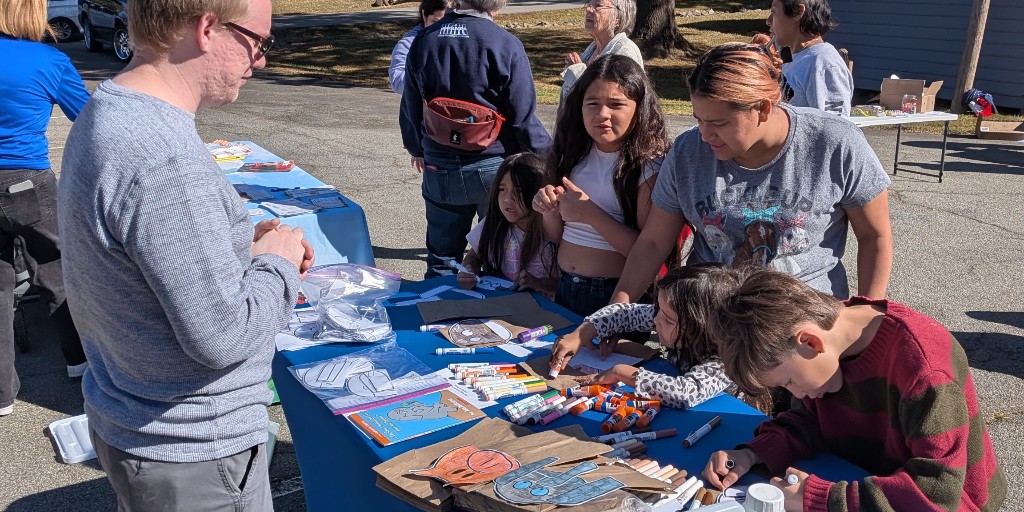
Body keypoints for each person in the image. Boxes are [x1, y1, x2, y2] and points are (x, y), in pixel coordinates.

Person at [58, 0, 313, 509]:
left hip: (135, 418)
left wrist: (238, 242)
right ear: (207, 28)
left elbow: (139, 253)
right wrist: (278, 260)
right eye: (259, 42)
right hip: (192, 448)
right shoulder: (164, 156)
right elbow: (222, 337)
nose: (259, 60)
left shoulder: (110, 107)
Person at [609, 42, 892, 331]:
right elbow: (653, 243)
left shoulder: (835, 142)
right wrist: (615, 313)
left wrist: (866, 316)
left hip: (803, 330)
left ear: (764, 109)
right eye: (699, 119)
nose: (705, 135)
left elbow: (874, 236)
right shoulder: (686, 152)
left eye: (719, 122)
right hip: (710, 325)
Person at [701, 268, 1007, 512]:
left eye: (789, 383)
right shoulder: (825, 347)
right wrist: (753, 453)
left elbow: (936, 493)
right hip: (864, 478)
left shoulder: (924, 367)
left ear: (809, 342)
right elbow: (810, 420)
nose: (797, 394)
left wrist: (819, 499)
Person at [400, 0, 551, 278]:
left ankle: (436, 313)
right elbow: (522, 118)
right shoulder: (505, 44)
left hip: (439, 164)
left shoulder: (424, 40)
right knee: (495, 256)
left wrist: (416, 147)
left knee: (442, 260)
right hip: (494, 167)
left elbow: (411, 107)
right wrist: (551, 157)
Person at [0, 0, 90, 417]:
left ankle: (2, 395)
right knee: (55, 271)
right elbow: (90, 120)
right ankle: (79, 362)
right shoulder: (47, 59)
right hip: (26, 183)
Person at [534, 54, 668, 317]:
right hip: (565, 287)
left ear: (640, 108)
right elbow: (555, 235)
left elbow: (646, 251)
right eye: (592, 103)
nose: (602, 115)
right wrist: (547, 208)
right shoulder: (571, 154)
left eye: (616, 104)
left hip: (614, 293)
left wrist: (588, 212)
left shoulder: (647, 167)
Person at [549, 264, 770, 412]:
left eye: (668, 320)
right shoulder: (668, 315)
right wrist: (581, 334)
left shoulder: (724, 361)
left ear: (702, 327)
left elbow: (685, 393)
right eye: (658, 311)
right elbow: (622, 313)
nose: (656, 321)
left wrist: (620, 371)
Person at [456, 152, 558, 297]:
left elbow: (572, 283)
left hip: (547, 309)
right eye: (502, 189)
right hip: (503, 302)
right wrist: (469, 271)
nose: (507, 199)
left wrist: (539, 283)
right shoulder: (494, 222)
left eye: (519, 191)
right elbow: (474, 256)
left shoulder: (552, 228)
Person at [766, 0, 853, 116]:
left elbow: (835, 126)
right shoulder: (796, 57)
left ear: (798, 13)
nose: (768, 21)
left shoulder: (824, 63)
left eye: (774, 12)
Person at [559, 0, 642, 101]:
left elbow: (609, 98)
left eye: (598, 5)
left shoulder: (625, 51)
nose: (588, 9)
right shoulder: (591, 50)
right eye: (589, 4)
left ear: (617, 18)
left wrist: (577, 70)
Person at [387, 0, 448, 94]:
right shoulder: (409, 43)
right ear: (424, 15)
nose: (441, 28)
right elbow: (397, 82)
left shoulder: (461, 39)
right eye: (435, 22)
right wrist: (431, 76)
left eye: (447, 22)